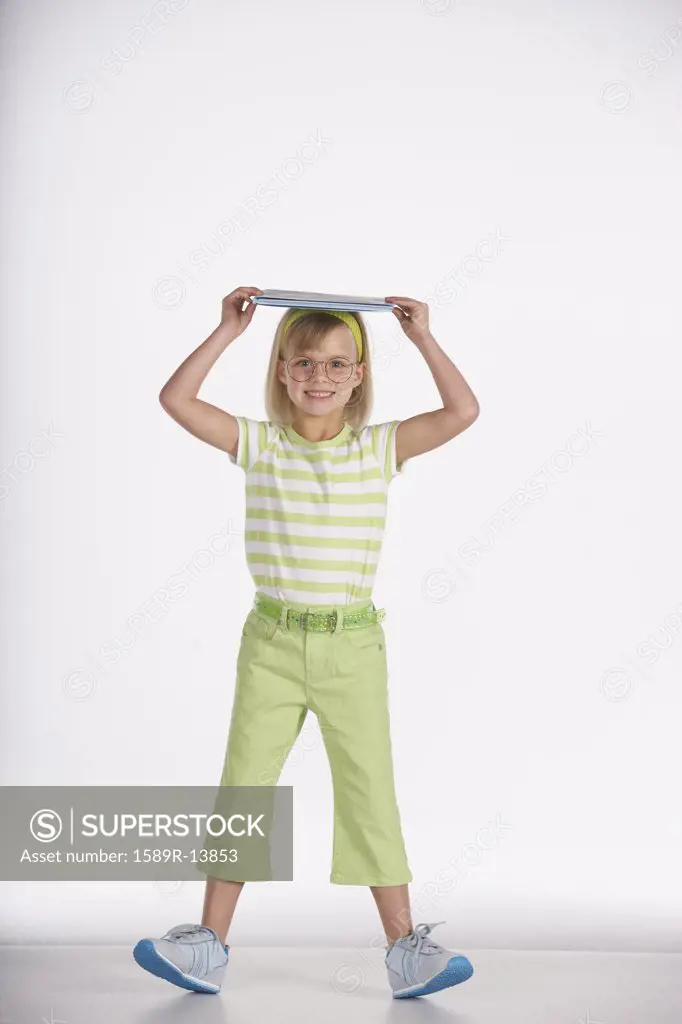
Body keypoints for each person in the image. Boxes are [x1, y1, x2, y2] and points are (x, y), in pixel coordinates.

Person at [132, 285, 480, 998]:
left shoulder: (379, 448)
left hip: (351, 646)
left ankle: (404, 948)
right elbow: (176, 400)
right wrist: (227, 330)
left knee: (368, 790)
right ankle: (208, 946)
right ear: (282, 370)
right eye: (303, 363)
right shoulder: (258, 443)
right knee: (244, 787)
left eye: (335, 364)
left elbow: (462, 412)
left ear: (358, 375)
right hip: (272, 643)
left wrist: (422, 339)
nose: (318, 377)